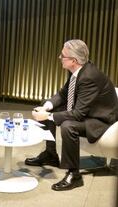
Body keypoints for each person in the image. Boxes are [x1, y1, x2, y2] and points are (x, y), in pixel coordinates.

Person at [26, 39, 118, 191]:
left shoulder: (89, 77)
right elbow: (63, 94)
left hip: (101, 121)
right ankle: (50, 154)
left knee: (69, 126)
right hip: (88, 112)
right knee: (46, 106)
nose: (59, 57)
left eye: (63, 56)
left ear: (74, 60)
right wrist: (47, 107)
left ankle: (73, 175)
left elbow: (78, 113)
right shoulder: (78, 70)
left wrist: (48, 117)